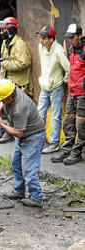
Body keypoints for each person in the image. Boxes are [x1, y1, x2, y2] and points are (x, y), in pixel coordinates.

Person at [0, 79, 46, 207]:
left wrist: (1, 123)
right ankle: (19, 191)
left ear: (11, 98)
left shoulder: (19, 108)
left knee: (29, 169)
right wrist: (0, 108)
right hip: (23, 134)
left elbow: (18, 133)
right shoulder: (12, 90)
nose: (2, 101)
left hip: (33, 136)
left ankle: (36, 198)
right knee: (16, 163)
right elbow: (2, 99)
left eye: (3, 100)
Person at [0, 17, 32, 143]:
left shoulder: (20, 45)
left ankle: (9, 132)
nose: (1, 33)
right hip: (7, 81)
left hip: (17, 83)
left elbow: (24, 63)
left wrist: (5, 65)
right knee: (4, 107)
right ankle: (3, 130)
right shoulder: (5, 43)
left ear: (10, 30)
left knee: (13, 110)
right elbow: (4, 61)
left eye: (3, 30)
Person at [51, 23, 85, 165]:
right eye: (69, 37)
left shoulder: (84, 51)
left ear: (79, 36)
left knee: (81, 126)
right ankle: (66, 150)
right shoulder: (71, 51)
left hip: (82, 94)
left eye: (73, 37)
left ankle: (76, 153)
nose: (70, 40)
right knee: (68, 123)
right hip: (72, 93)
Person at [36, 25, 70, 154]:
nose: (41, 40)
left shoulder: (59, 51)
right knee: (39, 115)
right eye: (40, 37)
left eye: (44, 38)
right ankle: (40, 141)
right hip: (44, 87)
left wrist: (63, 81)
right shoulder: (41, 47)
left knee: (56, 117)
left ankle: (54, 143)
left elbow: (68, 69)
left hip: (56, 88)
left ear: (51, 39)